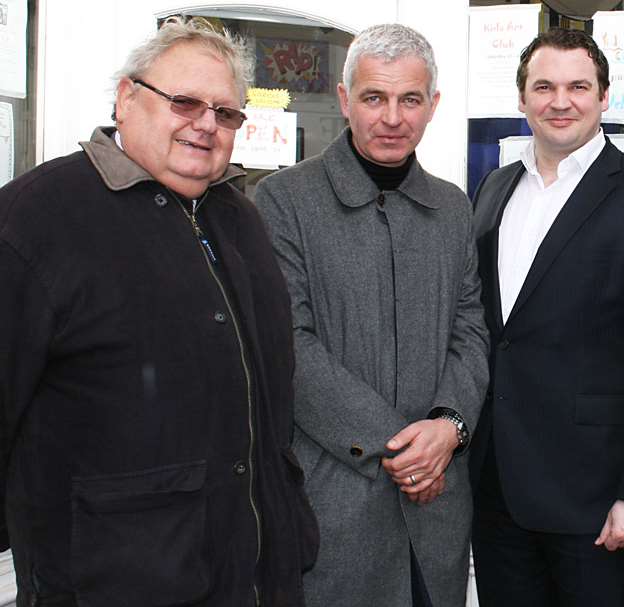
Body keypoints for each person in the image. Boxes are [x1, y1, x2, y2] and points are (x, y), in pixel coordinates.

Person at [0, 17, 318, 607]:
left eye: (226, 113)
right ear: (126, 98)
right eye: (184, 102)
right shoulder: (34, 220)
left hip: (255, 578)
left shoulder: (240, 219)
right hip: (111, 585)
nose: (206, 125)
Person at [255, 23, 489, 607]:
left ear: (433, 105)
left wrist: (448, 428)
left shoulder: (454, 207)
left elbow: (470, 331)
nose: (392, 117)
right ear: (344, 99)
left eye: (410, 99)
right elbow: (290, 345)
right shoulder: (284, 200)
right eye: (374, 98)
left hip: (436, 512)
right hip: (335, 504)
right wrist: (405, 451)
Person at [469, 28, 624, 607]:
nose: (560, 100)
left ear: (604, 97)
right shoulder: (496, 188)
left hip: (596, 502)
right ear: (521, 98)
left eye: (578, 86)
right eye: (543, 86)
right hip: (497, 489)